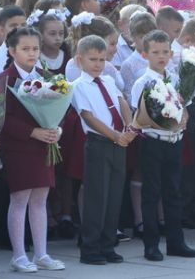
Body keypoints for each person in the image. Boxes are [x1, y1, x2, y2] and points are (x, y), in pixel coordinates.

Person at [0, 26, 65, 272]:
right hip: (18, 147)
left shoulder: (46, 75)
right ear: (12, 50)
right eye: (25, 49)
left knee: (40, 199)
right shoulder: (4, 79)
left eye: (35, 48)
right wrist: (32, 132)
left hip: (43, 145)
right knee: (20, 199)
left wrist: (57, 129)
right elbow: (1, 118)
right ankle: (18, 255)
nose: (32, 53)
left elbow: (59, 108)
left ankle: (41, 253)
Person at [129, 30, 195, 261]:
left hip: (174, 142)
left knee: (173, 192)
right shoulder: (143, 81)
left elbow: (183, 105)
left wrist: (184, 116)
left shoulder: (176, 78)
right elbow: (139, 113)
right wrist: (163, 121)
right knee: (151, 192)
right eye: (155, 52)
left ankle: (175, 242)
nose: (161, 56)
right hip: (152, 141)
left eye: (165, 52)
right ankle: (151, 244)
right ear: (144, 54)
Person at [72, 34, 136, 265]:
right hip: (99, 144)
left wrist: (129, 128)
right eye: (92, 59)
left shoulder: (108, 80)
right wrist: (116, 136)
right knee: (97, 198)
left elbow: (122, 104)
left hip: (119, 143)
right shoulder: (78, 86)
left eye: (101, 59)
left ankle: (108, 245)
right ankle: (90, 248)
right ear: (80, 60)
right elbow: (88, 117)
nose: (98, 64)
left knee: (114, 196)